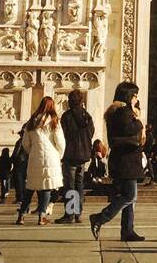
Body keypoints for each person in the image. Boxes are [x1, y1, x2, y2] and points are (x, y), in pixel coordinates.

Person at [89, 83, 146, 243]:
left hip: (121, 159)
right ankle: (100, 217)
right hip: (127, 160)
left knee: (129, 196)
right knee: (129, 195)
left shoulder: (114, 111)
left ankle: (127, 230)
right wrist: (139, 120)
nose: (136, 98)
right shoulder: (124, 112)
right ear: (128, 96)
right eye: (134, 95)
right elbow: (130, 129)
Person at [18, 95, 65, 225]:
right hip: (51, 158)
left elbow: (25, 142)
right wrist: (59, 155)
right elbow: (60, 141)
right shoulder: (54, 120)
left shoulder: (31, 121)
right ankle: (42, 216)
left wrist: (32, 151)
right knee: (47, 187)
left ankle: (21, 215)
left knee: (30, 187)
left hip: (35, 157)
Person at [60, 90, 95, 223]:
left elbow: (62, 135)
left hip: (70, 154)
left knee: (70, 185)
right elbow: (91, 132)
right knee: (79, 184)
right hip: (84, 155)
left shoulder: (67, 116)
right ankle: (78, 213)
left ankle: (70, 214)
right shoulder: (87, 116)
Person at [10, 130, 28, 204]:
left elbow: (16, 153)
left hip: (19, 163)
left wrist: (11, 160)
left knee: (18, 181)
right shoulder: (28, 142)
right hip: (26, 163)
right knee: (23, 181)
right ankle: (23, 197)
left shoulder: (20, 141)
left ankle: (20, 198)